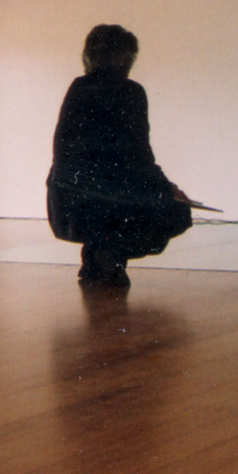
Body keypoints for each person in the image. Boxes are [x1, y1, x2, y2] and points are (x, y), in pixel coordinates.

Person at [47, 24, 194, 287]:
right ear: (125, 58)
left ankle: (97, 256)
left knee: (111, 193)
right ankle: (109, 253)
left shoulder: (77, 88)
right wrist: (169, 190)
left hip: (65, 205)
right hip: (104, 201)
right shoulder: (131, 92)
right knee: (178, 213)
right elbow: (139, 158)